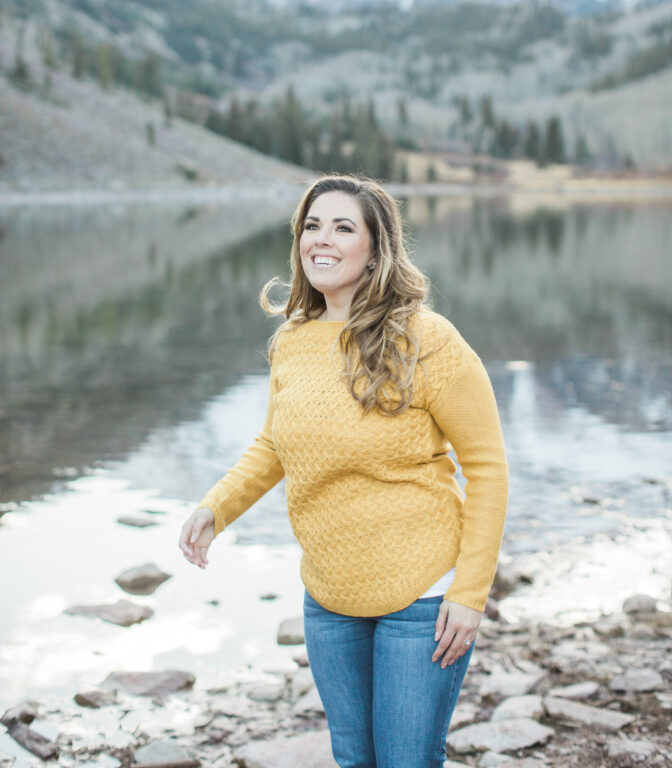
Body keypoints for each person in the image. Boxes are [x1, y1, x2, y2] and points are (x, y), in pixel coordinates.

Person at [179, 173, 509, 768]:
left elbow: (487, 468)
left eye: (342, 227)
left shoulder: (427, 338)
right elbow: (276, 443)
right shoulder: (292, 341)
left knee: (407, 760)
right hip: (328, 593)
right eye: (311, 225)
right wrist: (215, 507)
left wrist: (470, 593)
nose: (321, 240)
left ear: (376, 249)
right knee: (354, 759)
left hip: (422, 598)